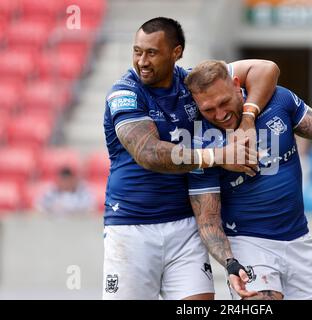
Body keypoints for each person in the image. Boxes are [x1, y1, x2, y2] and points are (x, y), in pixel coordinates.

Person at [102, 17, 280, 300]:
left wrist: (248, 116)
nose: (142, 61)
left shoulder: (191, 84)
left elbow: (266, 69)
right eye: (137, 51)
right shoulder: (125, 92)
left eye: (152, 52)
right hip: (132, 227)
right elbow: (148, 153)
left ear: (176, 52)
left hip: (186, 229)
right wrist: (218, 156)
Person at [185, 60, 312, 300]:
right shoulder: (200, 143)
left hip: (299, 241)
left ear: (235, 84)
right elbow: (208, 220)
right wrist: (231, 263)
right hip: (248, 242)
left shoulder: (278, 100)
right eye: (208, 109)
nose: (220, 114)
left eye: (224, 103)